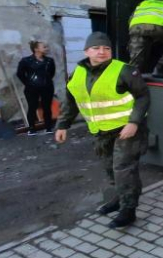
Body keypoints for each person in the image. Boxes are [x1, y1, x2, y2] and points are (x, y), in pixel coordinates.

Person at [55, 32, 150, 228]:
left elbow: (143, 97)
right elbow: (71, 102)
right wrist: (62, 125)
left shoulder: (124, 70)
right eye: (96, 48)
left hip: (127, 129)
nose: (102, 52)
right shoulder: (76, 74)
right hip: (100, 130)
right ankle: (118, 199)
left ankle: (128, 210)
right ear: (86, 51)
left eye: (106, 48)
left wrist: (134, 122)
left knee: (124, 169)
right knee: (109, 168)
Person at [16, 40, 56, 135]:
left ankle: (48, 127)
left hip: (47, 87)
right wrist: (28, 83)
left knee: (46, 107)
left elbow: (51, 73)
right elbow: (20, 74)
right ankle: (32, 129)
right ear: (36, 49)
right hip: (31, 88)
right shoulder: (26, 61)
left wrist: (45, 82)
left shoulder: (49, 61)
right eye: (44, 47)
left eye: (46, 47)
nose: (46, 48)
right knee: (32, 107)